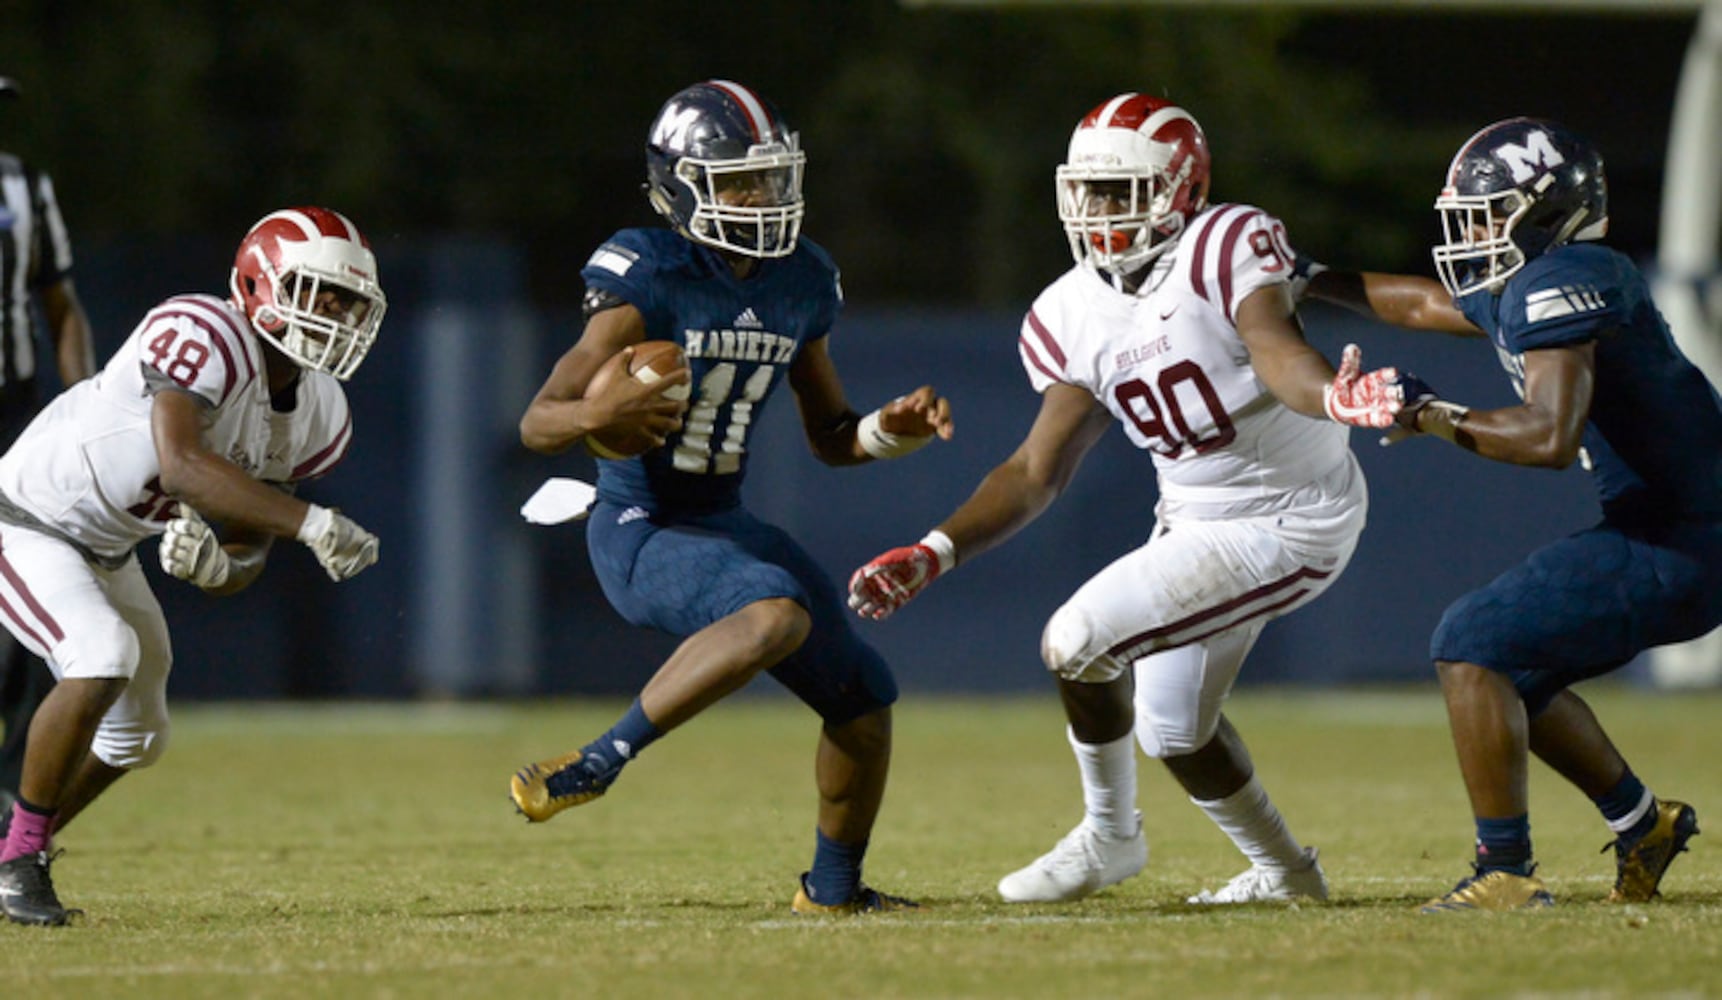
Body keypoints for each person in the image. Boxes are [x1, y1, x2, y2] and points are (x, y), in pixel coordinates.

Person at [849, 93, 1411, 906]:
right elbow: (1036, 469)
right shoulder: (1067, 312)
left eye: (1123, 190)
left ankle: (1110, 835)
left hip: (1290, 515)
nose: (1102, 208)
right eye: (1091, 189)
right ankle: (1289, 876)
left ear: (1183, 187)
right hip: (1192, 525)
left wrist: (1332, 397)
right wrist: (934, 550)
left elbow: (1278, 353)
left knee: (1075, 639)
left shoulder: (1224, 245)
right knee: (1173, 729)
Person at [508, 79, 953, 915]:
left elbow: (832, 436)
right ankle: (596, 764)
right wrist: (596, 414)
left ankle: (833, 891)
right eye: (739, 181)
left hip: (724, 522)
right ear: (679, 185)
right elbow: (537, 423)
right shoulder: (648, 271)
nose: (762, 197)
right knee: (775, 616)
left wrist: (890, 429)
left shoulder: (802, 279)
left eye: (771, 177)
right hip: (640, 522)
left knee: (862, 697)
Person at [1298, 117, 1721, 911]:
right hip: (1669, 524)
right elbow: (1426, 305)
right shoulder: (1544, 278)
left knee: (1472, 642)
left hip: (1684, 536)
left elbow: (1549, 436)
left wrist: (1429, 415)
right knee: (1514, 667)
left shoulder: (1568, 274)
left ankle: (1507, 871)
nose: (1475, 233)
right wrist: (1310, 276)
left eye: (1491, 214)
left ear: (1547, 212)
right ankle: (1642, 825)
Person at [0, 206, 387, 925]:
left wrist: (219, 568)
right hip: (25, 519)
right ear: (257, 283)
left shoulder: (320, 412)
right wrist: (312, 524)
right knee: (102, 654)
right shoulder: (203, 330)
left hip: (108, 547)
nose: (335, 313)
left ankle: (10, 845)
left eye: (349, 301)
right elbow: (181, 466)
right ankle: (19, 860)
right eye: (318, 292)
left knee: (139, 736)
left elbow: (249, 544)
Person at [0, 75, 98, 822]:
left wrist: (86, 407)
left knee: (26, 617)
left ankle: (11, 798)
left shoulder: (25, 187)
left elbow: (60, 307)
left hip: (14, 413)